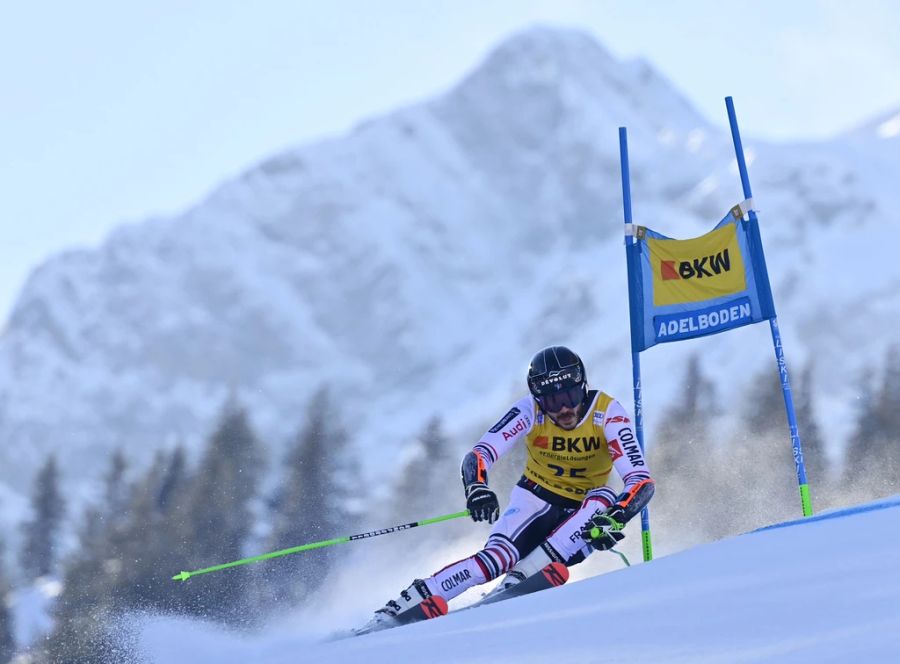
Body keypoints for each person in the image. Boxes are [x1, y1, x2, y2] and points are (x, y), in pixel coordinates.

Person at [362, 345, 654, 630]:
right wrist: (477, 487)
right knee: (495, 560)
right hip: (534, 500)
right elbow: (480, 454)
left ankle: (523, 577)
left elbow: (640, 480)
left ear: (583, 386)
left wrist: (617, 516)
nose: (564, 408)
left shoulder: (608, 413)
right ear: (539, 399)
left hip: (581, 516)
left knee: (603, 498)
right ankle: (405, 604)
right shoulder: (530, 410)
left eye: (570, 395)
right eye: (552, 401)